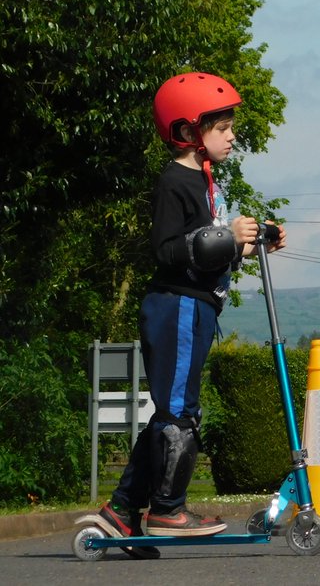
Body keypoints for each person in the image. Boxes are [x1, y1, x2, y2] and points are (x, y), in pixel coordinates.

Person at [95, 72, 287, 558]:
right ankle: (167, 509)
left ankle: (121, 513)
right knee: (180, 414)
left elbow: (208, 246)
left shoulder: (206, 183)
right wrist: (225, 236)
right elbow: (167, 249)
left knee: (173, 411)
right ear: (187, 132)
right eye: (221, 127)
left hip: (198, 305)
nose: (232, 136)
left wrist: (252, 237)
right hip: (176, 304)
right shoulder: (174, 181)